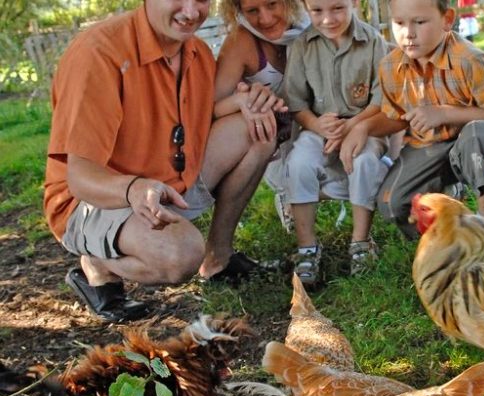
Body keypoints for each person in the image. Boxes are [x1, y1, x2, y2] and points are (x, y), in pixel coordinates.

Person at [43, 0, 286, 322]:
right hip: (93, 200)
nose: (190, 11)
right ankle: (97, 264)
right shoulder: (99, 52)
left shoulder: (195, 51)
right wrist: (133, 189)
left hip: (167, 181)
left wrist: (246, 102)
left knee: (259, 128)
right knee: (180, 254)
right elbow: (80, 178)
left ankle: (219, 259)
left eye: (200, 0)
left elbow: (203, 113)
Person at [344, 0, 484, 239]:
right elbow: (397, 118)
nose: (408, 34)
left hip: (470, 141)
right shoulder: (390, 66)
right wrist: (364, 126)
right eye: (399, 23)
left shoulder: (471, 60)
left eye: (419, 22)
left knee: (478, 134)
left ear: (447, 19)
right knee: (393, 205)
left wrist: (444, 113)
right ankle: (451, 237)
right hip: (427, 146)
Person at [282, 0, 390, 285]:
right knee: (299, 162)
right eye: (317, 11)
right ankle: (307, 246)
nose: (328, 19)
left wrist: (351, 127)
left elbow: (381, 100)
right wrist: (317, 125)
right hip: (320, 128)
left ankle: (360, 242)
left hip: (364, 127)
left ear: (354, 2)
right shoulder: (303, 45)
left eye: (338, 8)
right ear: (306, 7)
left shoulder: (373, 42)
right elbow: (296, 102)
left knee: (364, 160)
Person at [203, 0, 310, 282]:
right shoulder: (242, 41)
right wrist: (243, 100)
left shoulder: (315, 21)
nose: (264, 18)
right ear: (238, 11)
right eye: (252, 10)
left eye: (272, 4)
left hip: (313, 130)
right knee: (263, 133)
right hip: (265, 140)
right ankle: (216, 255)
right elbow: (209, 107)